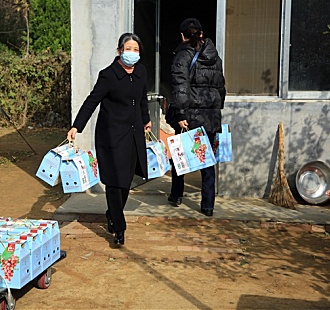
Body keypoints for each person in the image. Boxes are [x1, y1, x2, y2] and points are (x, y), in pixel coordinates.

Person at [67, 33, 152, 245]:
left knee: (125, 182)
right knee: (114, 181)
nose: (132, 53)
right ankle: (119, 227)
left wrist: (146, 120)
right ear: (119, 51)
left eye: (136, 49)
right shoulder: (108, 75)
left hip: (133, 135)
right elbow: (92, 101)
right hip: (112, 135)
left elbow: (142, 99)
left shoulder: (141, 71)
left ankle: (112, 213)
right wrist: (77, 126)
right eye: (128, 49)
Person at [166, 18, 226, 216]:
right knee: (207, 160)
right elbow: (221, 87)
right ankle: (207, 206)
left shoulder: (183, 55)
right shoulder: (214, 55)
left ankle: (176, 194)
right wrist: (217, 110)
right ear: (201, 33)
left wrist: (181, 113)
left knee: (180, 155)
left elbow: (180, 88)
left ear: (183, 36)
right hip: (210, 116)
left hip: (190, 115)